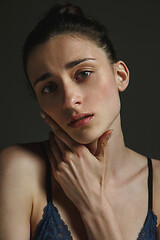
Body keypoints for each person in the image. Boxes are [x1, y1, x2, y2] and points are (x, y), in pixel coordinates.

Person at [0, 2, 160, 240]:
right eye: (49, 88)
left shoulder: (158, 184)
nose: (69, 100)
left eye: (83, 74)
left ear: (120, 76)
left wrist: (94, 206)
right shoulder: (20, 169)